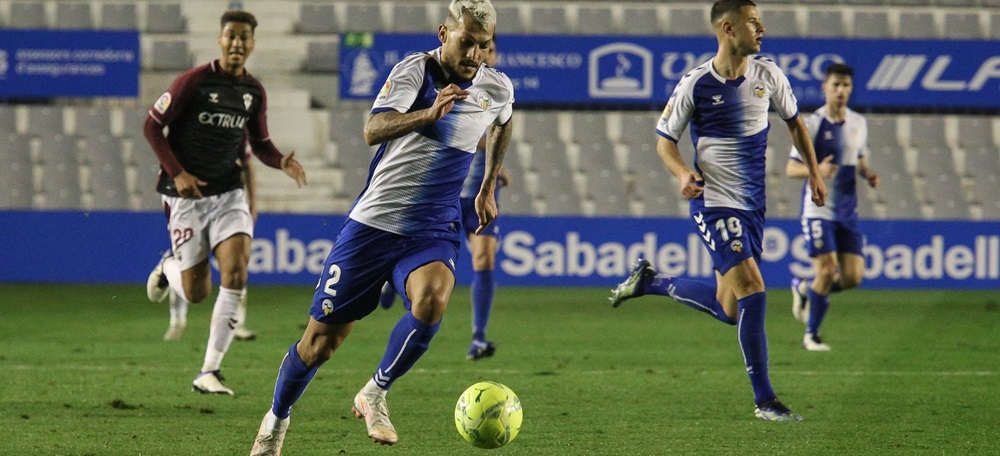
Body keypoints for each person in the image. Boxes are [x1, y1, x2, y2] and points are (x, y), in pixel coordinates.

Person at [250, 1, 513, 453]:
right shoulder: (415, 72)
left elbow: (502, 124)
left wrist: (488, 184)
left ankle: (375, 391)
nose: (474, 55)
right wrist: (428, 115)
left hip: (433, 225)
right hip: (373, 225)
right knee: (318, 346)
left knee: (433, 300)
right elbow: (373, 129)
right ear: (444, 34)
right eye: (465, 42)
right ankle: (274, 424)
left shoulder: (497, 87)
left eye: (483, 46)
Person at [608, 0, 827, 422]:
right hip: (713, 203)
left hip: (752, 207)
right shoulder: (695, 84)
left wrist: (814, 174)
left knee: (730, 308)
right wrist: (681, 173)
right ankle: (766, 400)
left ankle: (652, 282)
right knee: (753, 288)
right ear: (728, 28)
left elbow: (796, 123)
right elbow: (664, 141)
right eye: (752, 22)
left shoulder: (769, 75)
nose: (761, 29)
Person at [143, 9, 306, 396]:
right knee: (197, 292)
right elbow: (152, 126)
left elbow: (260, 144)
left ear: (252, 43)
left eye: (244, 37)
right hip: (185, 197)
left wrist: (280, 160)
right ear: (221, 40)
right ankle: (169, 269)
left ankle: (209, 370)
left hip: (228, 194)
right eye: (230, 36)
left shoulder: (253, 92)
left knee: (236, 273)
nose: (237, 43)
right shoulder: (194, 83)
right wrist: (177, 173)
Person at [377, 38, 510, 362]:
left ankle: (478, 336)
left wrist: (493, 176)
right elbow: (460, 130)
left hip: (477, 195)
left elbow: (500, 129)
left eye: (489, 49)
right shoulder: (450, 83)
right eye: (480, 48)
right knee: (423, 265)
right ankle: (390, 275)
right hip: (440, 195)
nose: (483, 55)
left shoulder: (493, 91)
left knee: (485, 258)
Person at [787, 63, 880, 352]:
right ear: (824, 88)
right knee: (826, 270)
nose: (841, 91)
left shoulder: (858, 123)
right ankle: (811, 335)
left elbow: (859, 159)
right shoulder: (813, 124)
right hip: (819, 209)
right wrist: (816, 171)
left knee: (853, 277)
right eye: (835, 85)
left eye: (846, 86)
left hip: (848, 212)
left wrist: (868, 174)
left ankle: (804, 288)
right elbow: (791, 168)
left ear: (851, 89)